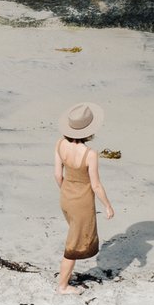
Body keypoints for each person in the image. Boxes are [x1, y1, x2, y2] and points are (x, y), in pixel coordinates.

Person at [54, 102, 114, 292]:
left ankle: (63, 282)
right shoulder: (90, 154)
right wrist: (107, 206)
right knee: (72, 247)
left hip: (65, 198)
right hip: (82, 203)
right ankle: (62, 286)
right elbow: (95, 185)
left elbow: (57, 175)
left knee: (74, 236)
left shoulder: (60, 144)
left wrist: (66, 191)